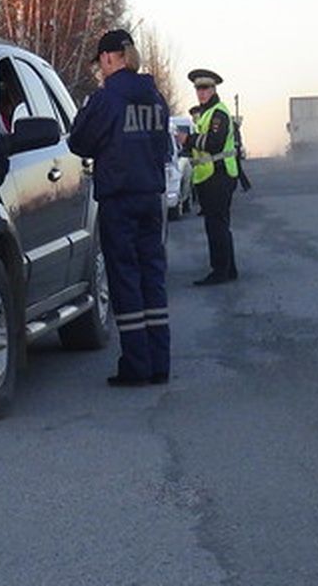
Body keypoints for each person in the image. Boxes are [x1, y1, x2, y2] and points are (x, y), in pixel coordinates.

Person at [68, 29, 172, 387]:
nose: (100, 69)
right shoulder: (155, 97)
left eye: (100, 62)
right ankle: (160, 364)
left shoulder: (106, 99)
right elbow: (164, 147)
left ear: (111, 58)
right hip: (150, 197)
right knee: (152, 278)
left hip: (119, 200)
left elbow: (78, 141)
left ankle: (136, 366)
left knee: (125, 279)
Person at [183, 68, 239, 285]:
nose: (201, 92)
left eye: (205, 88)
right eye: (198, 88)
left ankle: (220, 271)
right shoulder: (205, 113)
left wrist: (188, 140)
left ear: (214, 89)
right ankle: (229, 268)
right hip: (210, 176)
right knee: (219, 224)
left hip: (219, 174)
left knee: (216, 226)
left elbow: (214, 143)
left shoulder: (218, 113)